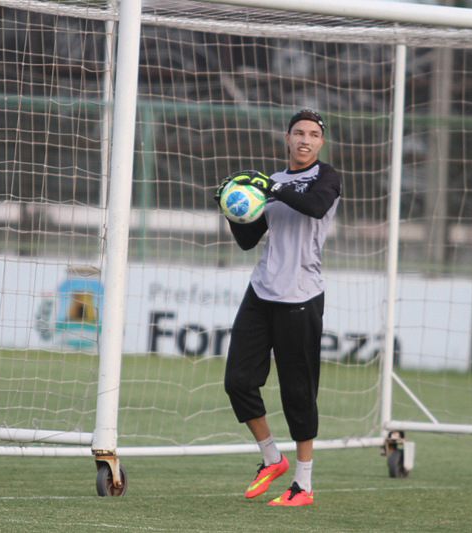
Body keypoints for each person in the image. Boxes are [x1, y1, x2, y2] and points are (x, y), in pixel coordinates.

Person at [214, 109, 341, 507]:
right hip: (261, 292)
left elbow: (316, 207)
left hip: (301, 297)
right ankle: (272, 458)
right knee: (238, 381)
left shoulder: (327, 178)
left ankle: (303, 485)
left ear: (321, 142)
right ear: (287, 138)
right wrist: (232, 205)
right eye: (298, 133)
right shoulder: (271, 183)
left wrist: (270, 187)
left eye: (313, 134)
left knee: (297, 392)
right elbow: (248, 240)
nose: (305, 139)